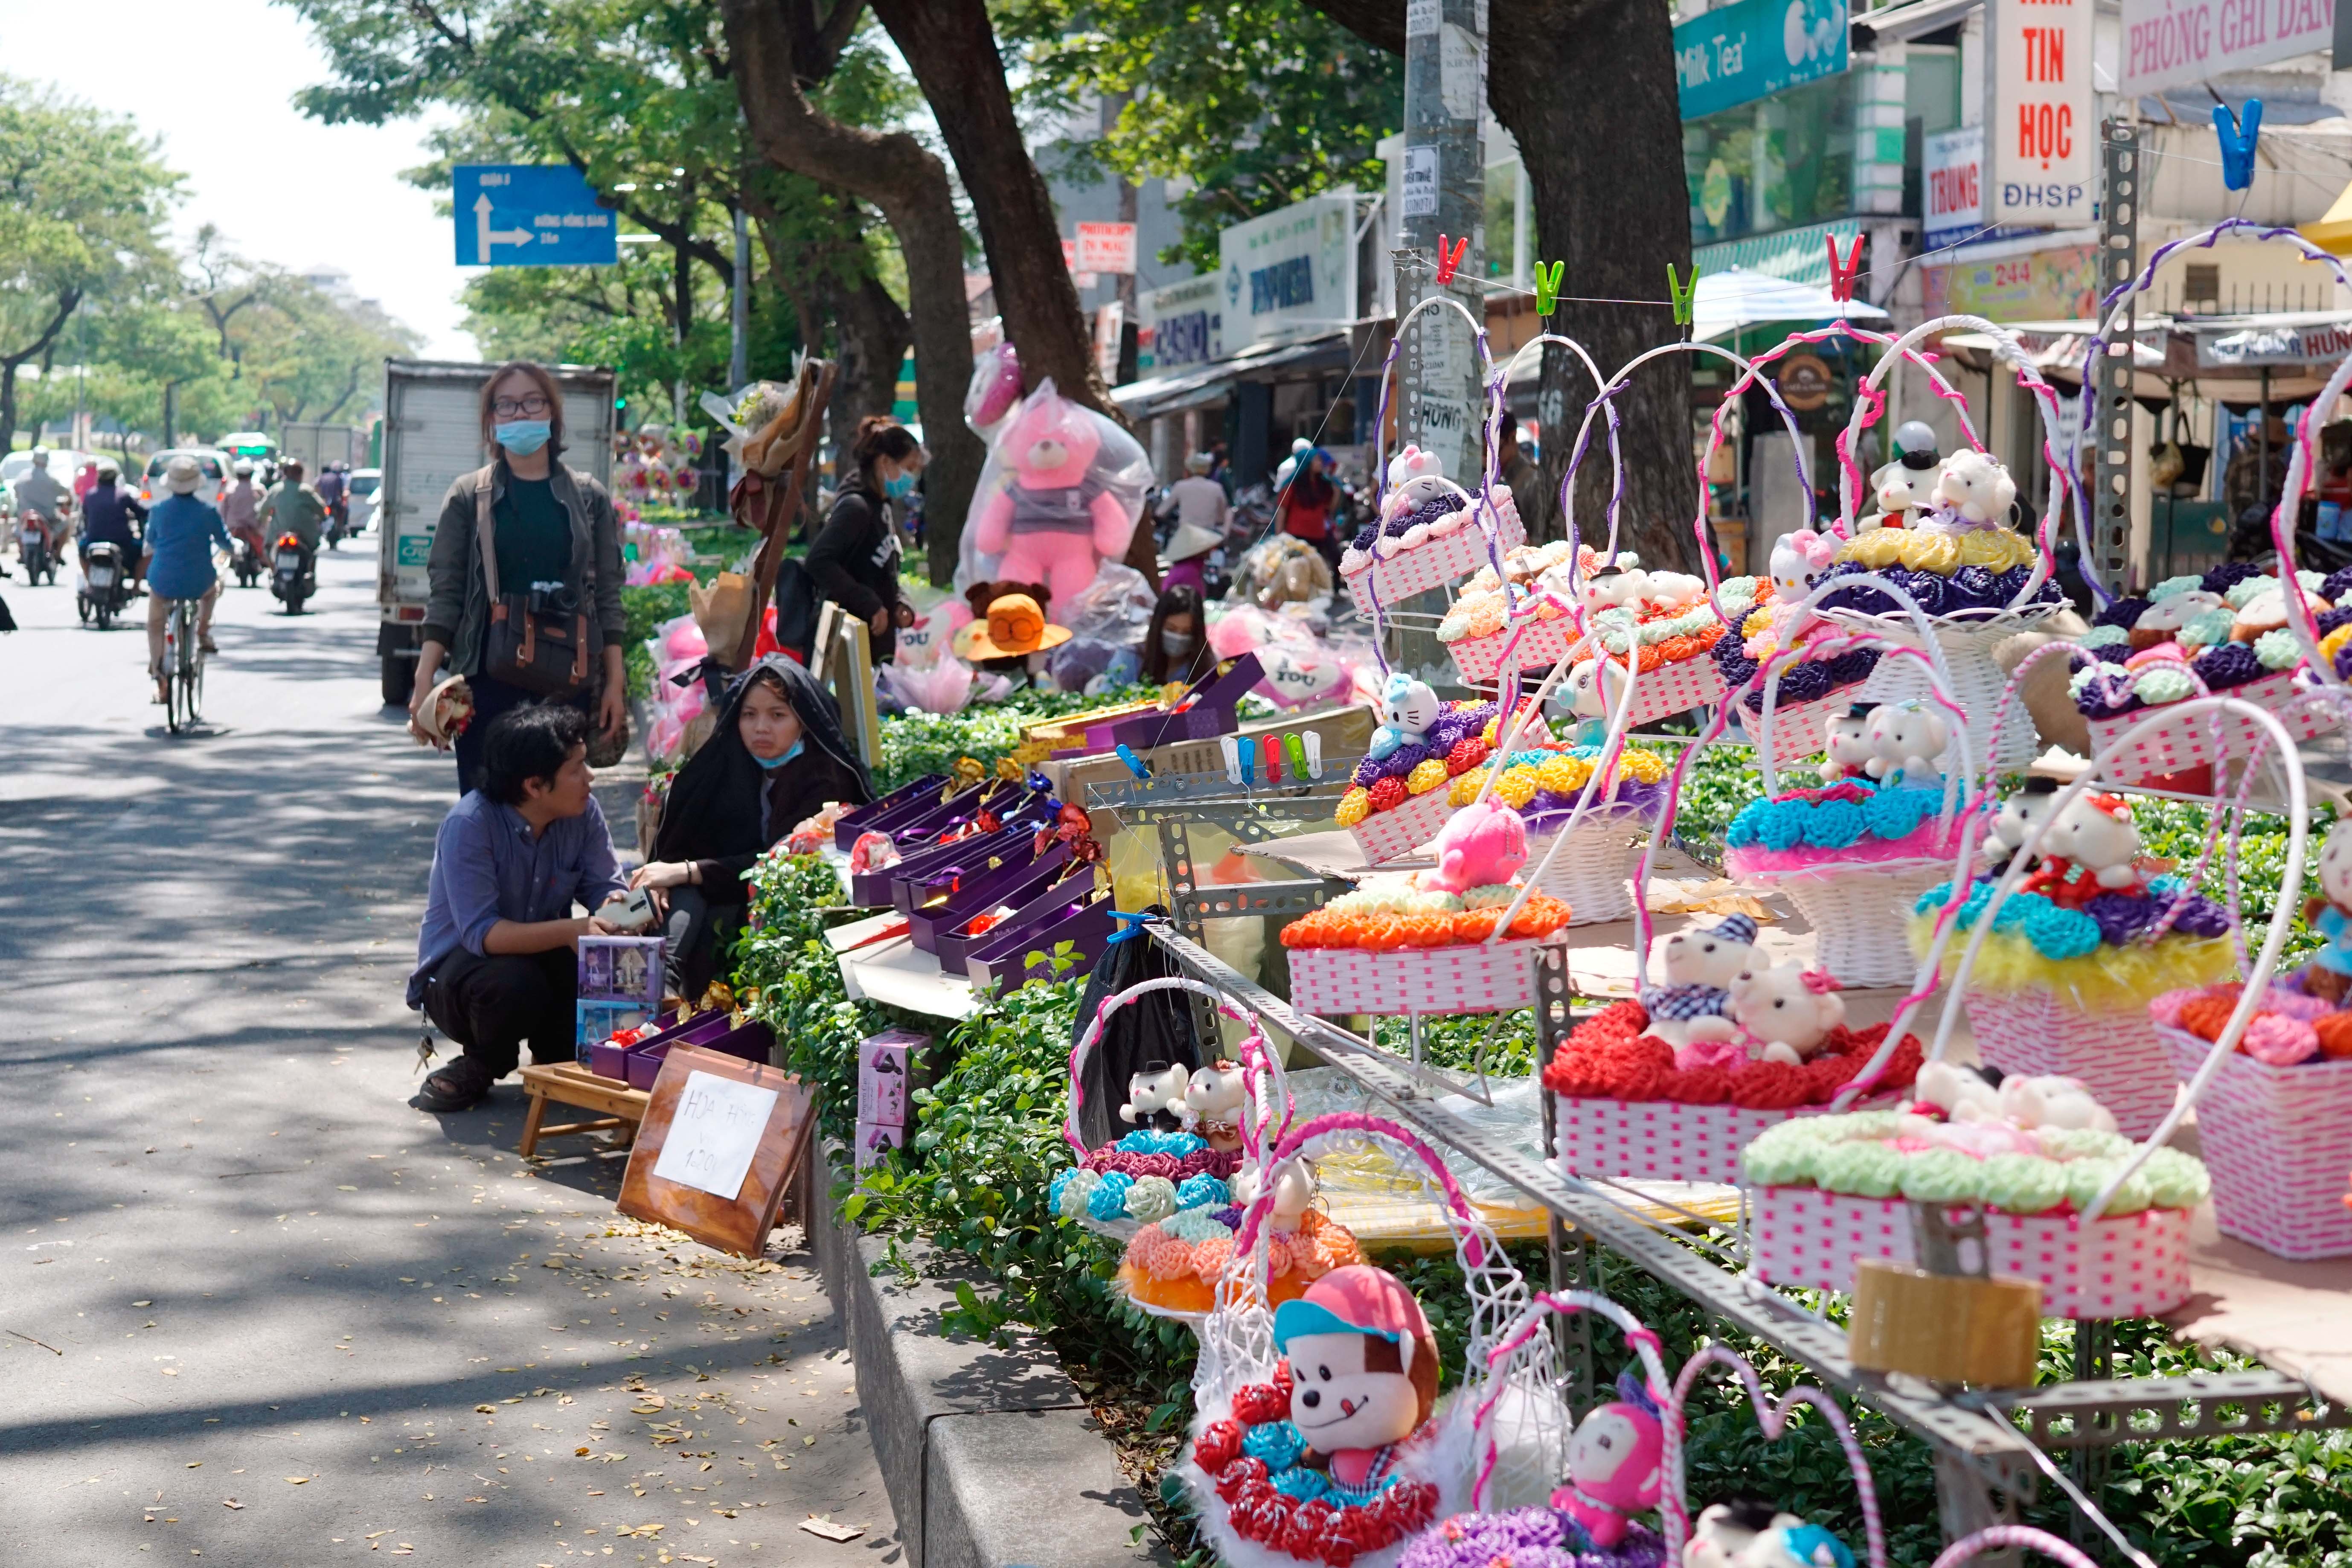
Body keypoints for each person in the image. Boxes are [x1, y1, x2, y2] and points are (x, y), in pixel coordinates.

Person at [406, 360, 629, 796]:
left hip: (568, 683)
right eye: (505, 406)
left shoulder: (590, 498)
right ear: (490, 422)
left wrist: (615, 683)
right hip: (486, 684)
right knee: (486, 815)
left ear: (552, 413)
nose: (519, 414)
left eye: (532, 402)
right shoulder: (468, 495)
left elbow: (607, 595)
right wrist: (422, 681)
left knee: (559, 813)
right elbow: (446, 592)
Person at [407, 705, 627, 1113]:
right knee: (513, 980)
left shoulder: (582, 813)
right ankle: (483, 1062)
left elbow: (606, 886)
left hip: (542, 960)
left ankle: (557, 1058)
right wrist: (570, 930)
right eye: (577, 768)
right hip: (462, 977)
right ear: (535, 785)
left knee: (603, 958)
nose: (590, 778)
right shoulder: (470, 824)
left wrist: (618, 908)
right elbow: (484, 934)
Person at [632, 656, 874, 1004]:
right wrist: (662, 880)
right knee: (678, 891)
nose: (761, 728)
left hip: (781, 909)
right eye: (749, 715)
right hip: (721, 896)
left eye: (777, 715)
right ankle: (659, 987)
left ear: (803, 722)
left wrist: (684, 871)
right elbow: (683, 842)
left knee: (688, 882)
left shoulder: (824, 780)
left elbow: (777, 862)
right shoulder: (728, 764)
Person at [806, 415, 926, 663]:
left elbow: (878, 567)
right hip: (849, 647)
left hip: (875, 646)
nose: (912, 478)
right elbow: (819, 561)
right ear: (885, 462)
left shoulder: (882, 507)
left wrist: (899, 601)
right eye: (910, 468)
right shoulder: (856, 508)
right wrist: (870, 603)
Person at [142, 455, 232, 690]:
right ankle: (203, 632)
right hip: (199, 581)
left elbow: (149, 543)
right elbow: (226, 543)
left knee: (155, 625)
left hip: (163, 581)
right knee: (214, 589)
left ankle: (159, 674)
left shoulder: (158, 511)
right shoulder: (208, 512)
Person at [1140, 582, 1215, 686]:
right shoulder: (1131, 659)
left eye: (1187, 632)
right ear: (1158, 626)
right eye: (1171, 629)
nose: (1179, 637)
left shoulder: (1207, 668)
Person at [79, 463, 146, 578]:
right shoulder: (123, 495)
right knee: (144, 552)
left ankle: (89, 581)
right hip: (122, 542)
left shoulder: (90, 495)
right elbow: (141, 512)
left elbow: (85, 516)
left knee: (81, 550)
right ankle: (136, 586)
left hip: (92, 540)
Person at [1278, 448, 1340, 569]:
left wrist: (1337, 493)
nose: (1320, 463)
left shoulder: (1323, 484)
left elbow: (1330, 509)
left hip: (1318, 535)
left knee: (1329, 561)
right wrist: (1279, 535)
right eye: (1316, 460)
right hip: (1297, 537)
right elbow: (1282, 509)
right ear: (1307, 462)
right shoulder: (1293, 485)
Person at [1156, 452, 1230, 547]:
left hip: (1186, 538)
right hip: (1209, 538)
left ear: (1188, 469)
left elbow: (1161, 512)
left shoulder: (1181, 486)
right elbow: (1221, 518)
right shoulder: (1217, 488)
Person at [12, 446, 73, 559]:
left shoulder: (22, 477)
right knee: (66, 523)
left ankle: (21, 553)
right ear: (47, 462)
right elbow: (66, 493)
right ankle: (58, 555)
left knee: (17, 529)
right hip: (48, 517)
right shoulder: (52, 480)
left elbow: (16, 492)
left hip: (25, 516)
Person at [1498, 417, 1550, 542]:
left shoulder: (1533, 481)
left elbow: (1540, 539)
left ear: (1512, 439)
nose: (1485, 460)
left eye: (1491, 451)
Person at [219, 461, 264, 563]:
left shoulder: (230, 489)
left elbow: (223, 511)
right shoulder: (258, 489)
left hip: (234, 528)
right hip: (253, 528)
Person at [317, 460, 349, 544]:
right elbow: (341, 492)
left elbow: (316, 488)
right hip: (334, 504)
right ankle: (344, 527)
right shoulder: (338, 478)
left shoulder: (322, 477)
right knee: (345, 511)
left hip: (324, 503)